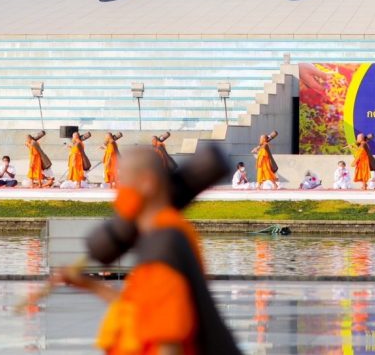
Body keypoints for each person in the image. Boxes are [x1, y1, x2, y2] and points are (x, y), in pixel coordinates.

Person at [53, 147, 242, 354]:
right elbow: (142, 309)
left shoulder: (162, 246)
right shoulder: (166, 233)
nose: (117, 190)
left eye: (122, 180)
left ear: (147, 183)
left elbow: (169, 344)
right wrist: (89, 285)